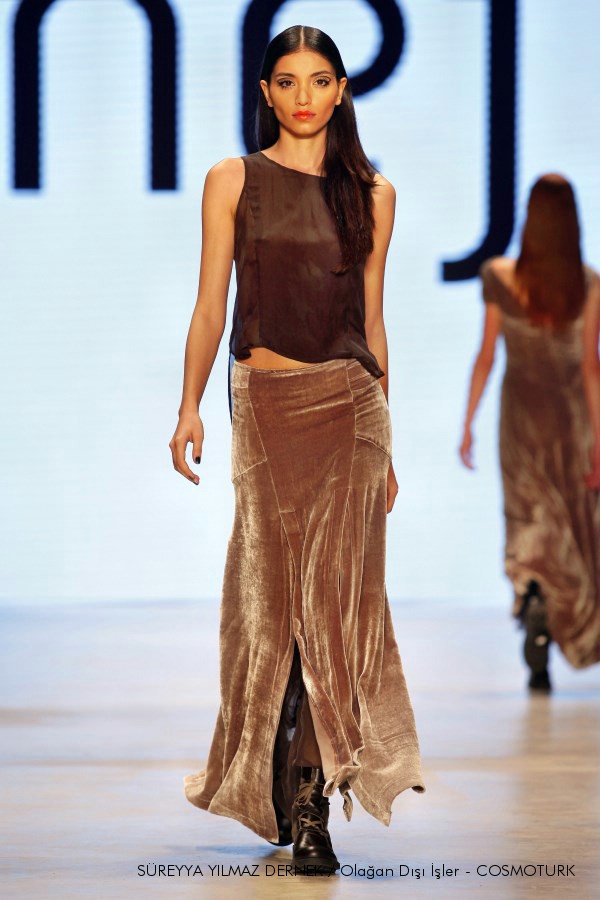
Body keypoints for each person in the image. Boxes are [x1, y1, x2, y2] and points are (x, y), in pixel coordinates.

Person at [168, 25, 424, 873]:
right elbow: (212, 304)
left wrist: (387, 444)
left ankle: (312, 799)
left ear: (342, 90)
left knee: (333, 609)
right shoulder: (232, 180)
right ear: (267, 93)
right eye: (287, 81)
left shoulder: (374, 194)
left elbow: (373, 323)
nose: (304, 96)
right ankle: (278, 752)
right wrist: (188, 406)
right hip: (265, 406)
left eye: (319, 80)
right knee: (271, 605)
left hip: (350, 411)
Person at [459, 173, 600, 691]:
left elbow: (486, 354)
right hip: (570, 421)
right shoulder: (588, 283)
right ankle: (560, 612)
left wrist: (468, 423)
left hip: (520, 417)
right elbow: (590, 367)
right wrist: (599, 440)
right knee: (571, 524)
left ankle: (532, 592)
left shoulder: (499, 276)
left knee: (526, 516)